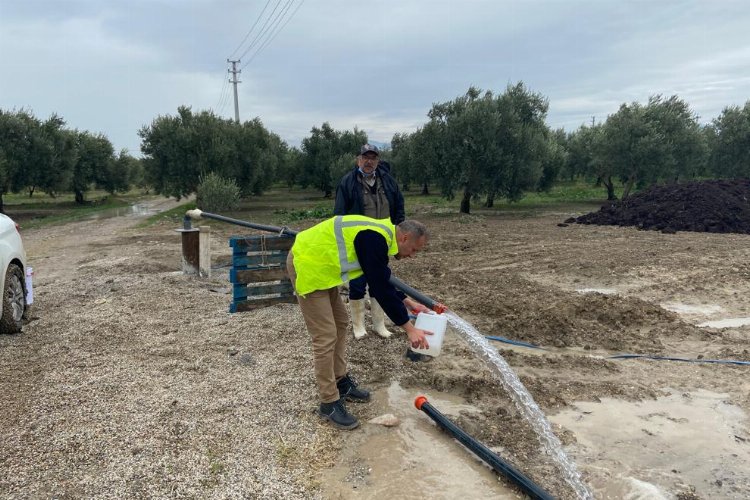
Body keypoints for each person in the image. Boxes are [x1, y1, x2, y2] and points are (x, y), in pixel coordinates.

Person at [286, 215, 432, 429]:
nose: (413, 256)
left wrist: (409, 302)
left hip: (323, 269)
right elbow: (379, 287)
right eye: (414, 250)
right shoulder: (374, 238)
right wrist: (409, 328)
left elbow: (380, 278)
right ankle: (329, 402)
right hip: (307, 266)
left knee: (341, 322)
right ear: (405, 238)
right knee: (325, 335)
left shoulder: (381, 237)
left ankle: (340, 381)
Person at [334, 144, 405, 340]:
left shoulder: (388, 181)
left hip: (382, 241)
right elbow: (339, 214)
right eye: (365, 157)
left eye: (373, 158)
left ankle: (379, 324)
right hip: (357, 241)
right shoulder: (348, 182)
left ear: (378, 161)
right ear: (358, 160)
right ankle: (358, 326)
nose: (369, 161)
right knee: (357, 283)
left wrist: (398, 232)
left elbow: (399, 206)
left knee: (380, 280)